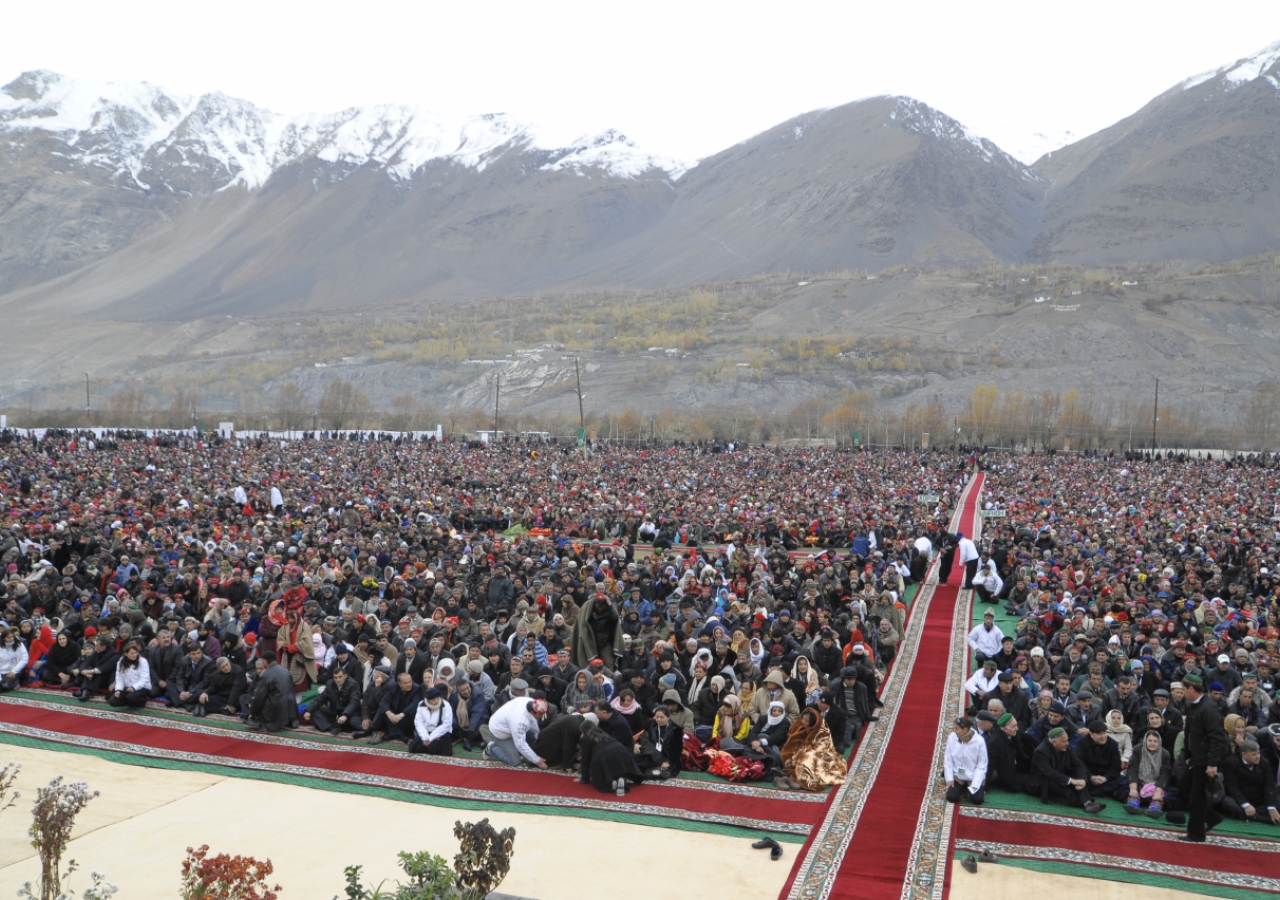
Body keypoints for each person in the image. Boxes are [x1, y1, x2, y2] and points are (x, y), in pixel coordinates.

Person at [1181, 673, 1230, 842]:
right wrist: (1188, 754)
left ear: (1192, 689)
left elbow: (1217, 738)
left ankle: (1196, 834)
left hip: (1205, 761)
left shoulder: (1209, 709)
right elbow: (1190, 733)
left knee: (1197, 797)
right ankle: (1211, 817)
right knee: (1184, 787)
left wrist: (1212, 764)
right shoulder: (1195, 705)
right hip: (1196, 758)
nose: (1183, 692)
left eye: (1184, 688)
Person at [1030, 727, 1106, 813]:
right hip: (1042, 782)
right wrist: (1072, 781)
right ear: (1055, 743)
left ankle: (1087, 803)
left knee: (1077, 776)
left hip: (1060, 776)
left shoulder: (1066, 746)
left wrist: (1082, 780)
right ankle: (1079, 802)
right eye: (1064, 741)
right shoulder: (1040, 752)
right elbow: (1050, 773)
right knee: (1063, 786)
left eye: (1067, 740)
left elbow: (1079, 765)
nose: (1067, 743)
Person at [777, 707, 846, 791]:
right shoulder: (797, 726)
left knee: (833, 764)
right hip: (798, 755)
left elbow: (824, 746)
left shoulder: (821, 729)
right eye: (803, 719)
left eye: (807, 721)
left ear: (813, 722)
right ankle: (792, 778)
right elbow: (790, 746)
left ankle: (798, 778)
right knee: (805, 758)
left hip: (816, 755)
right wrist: (792, 758)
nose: (803, 722)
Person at [1220, 737, 1279, 824]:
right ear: (1244, 754)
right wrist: (1246, 804)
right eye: (1254, 754)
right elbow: (1231, 786)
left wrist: (1271, 807)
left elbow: (1268, 785)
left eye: (1258, 753)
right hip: (1240, 799)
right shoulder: (1232, 762)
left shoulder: (1264, 763)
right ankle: (1257, 817)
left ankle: (1252, 815)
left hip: (1259, 799)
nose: (1257, 757)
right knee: (1227, 802)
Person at [579, 723, 645, 795]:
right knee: (620, 766)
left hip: (601, 753)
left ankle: (610, 784)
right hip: (620, 748)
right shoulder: (602, 732)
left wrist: (584, 778)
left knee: (599, 770)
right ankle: (621, 778)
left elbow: (585, 759)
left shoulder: (585, 738)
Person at [486, 698, 548, 768]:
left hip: (509, 724)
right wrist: (536, 760)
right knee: (515, 761)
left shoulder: (531, 702)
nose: (542, 716)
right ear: (532, 712)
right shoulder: (519, 721)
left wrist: (537, 738)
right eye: (541, 714)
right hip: (500, 731)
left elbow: (534, 725)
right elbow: (521, 745)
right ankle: (491, 748)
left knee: (533, 732)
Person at [247, 650, 299, 733]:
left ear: (265, 661)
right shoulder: (285, 670)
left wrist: (252, 713)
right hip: (290, 707)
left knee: (259, 701)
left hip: (275, 708)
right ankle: (291, 719)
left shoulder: (266, 674)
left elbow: (259, 697)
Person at [1078, 719, 1128, 801]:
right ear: (1091, 734)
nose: (1103, 736)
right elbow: (1079, 763)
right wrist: (1090, 777)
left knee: (1120, 781)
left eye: (1104, 733)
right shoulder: (1083, 743)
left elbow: (1115, 767)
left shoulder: (1113, 744)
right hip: (1088, 776)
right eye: (1099, 734)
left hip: (1105, 778)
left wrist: (1105, 778)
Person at [1126, 729, 1172, 818]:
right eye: (1149, 740)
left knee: (1170, 795)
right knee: (1124, 787)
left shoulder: (1165, 754)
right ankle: (1135, 801)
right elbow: (1132, 769)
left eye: (1155, 741)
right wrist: (1133, 789)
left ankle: (1154, 805)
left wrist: (1158, 792)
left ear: (1159, 743)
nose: (1152, 743)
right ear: (1145, 741)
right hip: (1139, 781)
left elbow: (1165, 774)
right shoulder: (1137, 750)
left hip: (1156, 783)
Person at [369, 672, 423, 745]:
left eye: (410, 681)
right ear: (400, 684)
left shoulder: (416, 689)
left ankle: (388, 733)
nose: (409, 684)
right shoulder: (394, 687)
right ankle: (400, 736)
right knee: (383, 710)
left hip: (406, 718)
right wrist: (389, 713)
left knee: (412, 712)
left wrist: (401, 715)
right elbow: (383, 702)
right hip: (394, 719)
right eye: (406, 683)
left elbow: (415, 704)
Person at [943, 717, 987, 805]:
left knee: (978, 800)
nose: (954, 731)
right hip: (958, 776)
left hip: (973, 777)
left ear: (965, 729)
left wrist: (975, 784)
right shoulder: (952, 737)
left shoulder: (979, 741)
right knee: (951, 797)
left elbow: (981, 765)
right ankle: (963, 790)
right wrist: (949, 779)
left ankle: (969, 790)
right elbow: (948, 759)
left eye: (957, 729)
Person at [307, 665, 361, 734]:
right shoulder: (330, 684)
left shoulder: (353, 685)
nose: (338, 680)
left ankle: (331, 726)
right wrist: (308, 710)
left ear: (345, 676)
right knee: (313, 711)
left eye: (340, 677)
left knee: (352, 721)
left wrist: (345, 714)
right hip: (334, 713)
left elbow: (354, 702)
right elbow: (320, 698)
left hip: (347, 713)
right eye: (335, 678)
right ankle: (331, 728)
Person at [634, 705, 683, 778]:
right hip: (651, 754)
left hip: (666, 757)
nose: (659, 720)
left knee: (663, 771)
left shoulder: (676, 729)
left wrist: (668, 762)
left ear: (668, 717)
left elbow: (677, 751)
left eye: (661, 717)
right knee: (635, 760)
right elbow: (640, 736)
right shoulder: (651, 724)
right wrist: (636, 744)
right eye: (657, 717)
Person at [408, 687, 454, 755]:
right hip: (427, 730)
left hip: (441, 731)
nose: (436, 701)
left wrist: (431, 738)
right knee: (416, 748)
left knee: (433, 749)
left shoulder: (445, 705)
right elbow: (419, 722)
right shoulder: (421, 705)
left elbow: (446, 725)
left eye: (437, 698)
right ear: (428, 700)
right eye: (433, 699)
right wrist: (425, 737)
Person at [107, 641, 151, 709]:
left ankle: (142, 701)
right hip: (127, 687)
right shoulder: (121, 662)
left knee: (131, 697)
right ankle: (129, 701)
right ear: (126, 654)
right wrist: (118, 690)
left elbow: (144, 679)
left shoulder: (143, 661)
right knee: (112, 701)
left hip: (143, 687)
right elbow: (119, 678)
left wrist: (134, 687)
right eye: (132, 653)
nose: (134, 655)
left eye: (135, 653)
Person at [0, 628, 29, 693]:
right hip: (1, 671)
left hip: (13, 671)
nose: (11, 639)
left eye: (12, 637)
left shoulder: (19, 644)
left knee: (5, 685)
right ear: (3, 638)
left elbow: (24, 658)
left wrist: (14, 671)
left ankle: (16, 682)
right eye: (8, 637)